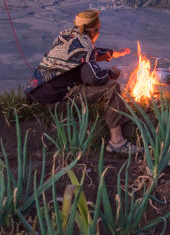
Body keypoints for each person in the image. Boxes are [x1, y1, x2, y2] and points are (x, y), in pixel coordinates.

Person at [25, 9, 139, 154]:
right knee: (112, 87)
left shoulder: (65, 35)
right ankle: (117, 142)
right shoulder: (85, 45)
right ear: (94, 30)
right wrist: (112, 73)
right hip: (57, 100)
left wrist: (113, 53)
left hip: (37, 92)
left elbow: (81, 54)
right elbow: (92, 78)